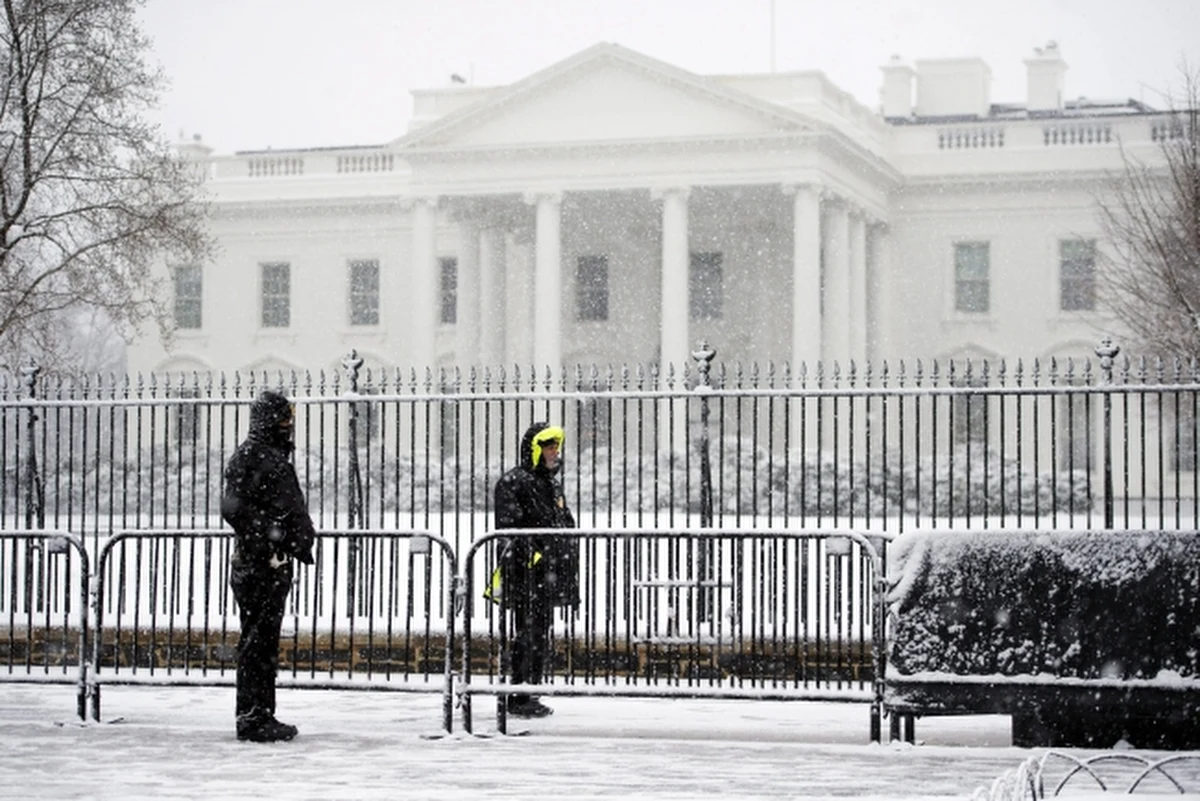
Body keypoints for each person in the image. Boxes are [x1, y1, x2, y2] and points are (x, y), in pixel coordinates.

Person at [221, 390, 316, 742]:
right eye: (283, 418)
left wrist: (291, 536)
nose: (288, 426)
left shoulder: (262, 456)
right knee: (258, 644)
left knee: (261, 643)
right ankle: (253, 716)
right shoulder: (255, 457)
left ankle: (259, 712)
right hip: (261, 564)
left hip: (265, 562)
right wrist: (276, 537)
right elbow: (236, 512)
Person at [490, 422, 579, 719]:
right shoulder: (514, 482)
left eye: (556, 446)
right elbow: (508, 530)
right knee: (526, 633)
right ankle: (518, 694)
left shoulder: (550, 483)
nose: (555, 451)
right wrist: (535, 555)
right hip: (526, 574)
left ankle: (529, 690)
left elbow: (564, 521)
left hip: (548, 572)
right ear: (534, 449)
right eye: (548, 446)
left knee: (539, 633)